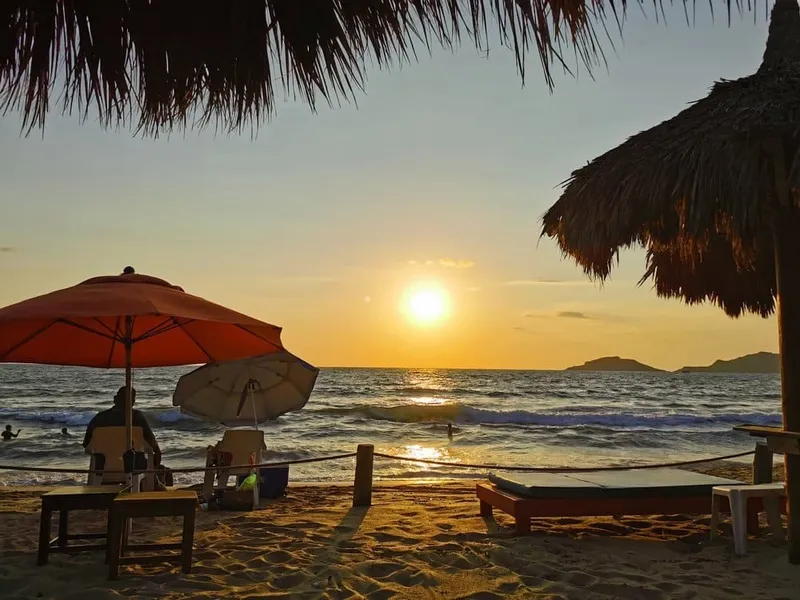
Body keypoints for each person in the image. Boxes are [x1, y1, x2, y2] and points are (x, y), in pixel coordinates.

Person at [83, 386, 162, 468]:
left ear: (115, 399)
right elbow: (151, 442)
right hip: (134, 467)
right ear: (132, 402)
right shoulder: (136, 417)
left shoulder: (99, 418)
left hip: (102, 467)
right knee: (164, 471)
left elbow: (87, 444)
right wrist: (157, 454)